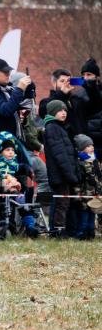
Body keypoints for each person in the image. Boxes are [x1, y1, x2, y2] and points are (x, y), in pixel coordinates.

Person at [43, 100, 79, 236]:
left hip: (63, 174)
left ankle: (61, 230)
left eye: (65, 110)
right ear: (53, 112)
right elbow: (60, 155)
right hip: (60, 175)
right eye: (60, 110)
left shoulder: (59, 127)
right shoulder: (53, 128)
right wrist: (70, 175)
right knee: (61, 204)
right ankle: (58, 231)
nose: (64, 113)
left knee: (63, 203)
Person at [39, 68, 102, 142]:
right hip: (65, 145)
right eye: (62, 81)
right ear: (54, 83)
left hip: (83, 145)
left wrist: (90, 87)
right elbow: (43, 111)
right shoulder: (46, 101)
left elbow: (96, 106)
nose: (66, 84)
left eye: (68, 81)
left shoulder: (77, 100)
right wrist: (61, 94)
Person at [0, 58, 33, 138]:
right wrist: (20, 89)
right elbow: (6, 110)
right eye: (5, 72)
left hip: (13, 136)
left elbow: (22, 104)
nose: (8, 74)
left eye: (9, 72)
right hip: (0, 140)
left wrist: (29, 88)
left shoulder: (8, 88)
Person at [73, 134, 100, 240]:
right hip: (84, 196)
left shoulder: (95, 161)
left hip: (94, 196)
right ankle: (81, 234)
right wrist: (78, 195)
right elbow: (78, 182)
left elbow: (98, 179)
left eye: (92, 145)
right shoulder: (80, 162)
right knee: (84, 218)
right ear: (82, 148)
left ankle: (91, 233)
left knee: (92, 216)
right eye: (88, 146)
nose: (92, 147)